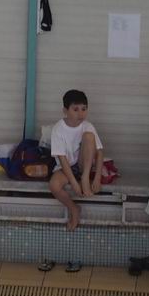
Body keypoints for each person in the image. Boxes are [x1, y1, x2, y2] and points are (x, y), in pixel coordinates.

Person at [49, 88, 103, 231]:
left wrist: (97, 178)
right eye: (75, 109)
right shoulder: (58, 129)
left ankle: (84, 178)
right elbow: (62, 159)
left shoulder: (88, 126)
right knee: (54, 185)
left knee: (89, 136)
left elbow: (99, 153)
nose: (81, 113)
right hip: (66, 167)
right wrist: (73, 182)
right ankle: (74, 208)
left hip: (84, 166)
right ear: (65, 111)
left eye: (84, 109)